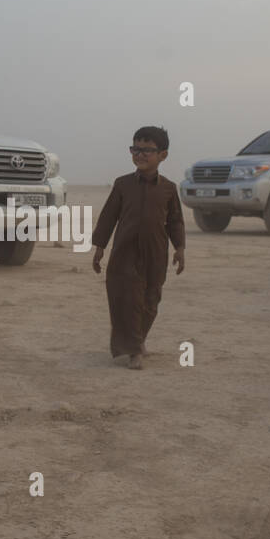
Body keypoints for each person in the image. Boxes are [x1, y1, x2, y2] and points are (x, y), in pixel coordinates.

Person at [91, 127, 186, 369]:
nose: (140, 154)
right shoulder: (122, 184)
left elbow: (175, 220)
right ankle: (134, 350)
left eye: (147, 150)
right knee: (129, 299)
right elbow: (108, 216)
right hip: (125, 251)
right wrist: (99, 246)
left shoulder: (168, 188)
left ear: (162, 155)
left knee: (151, 300)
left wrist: (180, 248)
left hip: (155, 253)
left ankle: (139, 340)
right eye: (135, 149)